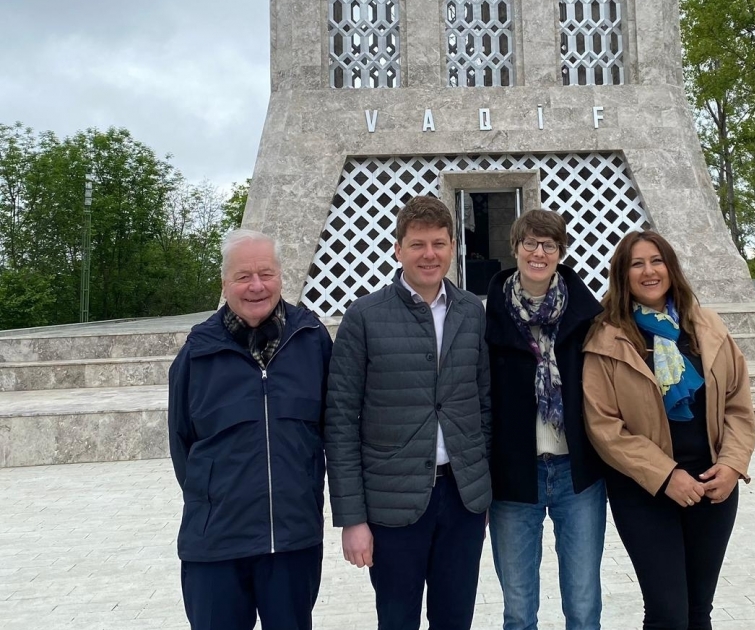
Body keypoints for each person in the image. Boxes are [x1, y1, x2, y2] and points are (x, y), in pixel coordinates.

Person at [325, 195, 492, 630]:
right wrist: (352, 519)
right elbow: (341, 421)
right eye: (418, 244)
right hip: (392, 505)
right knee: (397, 620)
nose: (429, 254)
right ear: (398, 248)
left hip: (461, 500)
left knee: (455, 619)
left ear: (453, 247)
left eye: (438, 243)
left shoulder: (472, 312)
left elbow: (484, 401)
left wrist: (482, 484)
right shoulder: (364, 317)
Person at [582, 230, 755, 630]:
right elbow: (604, 426)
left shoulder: (706, 326)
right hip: (645, 492)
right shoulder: (607, 338)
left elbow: (738, 404)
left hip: (712, 486)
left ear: (671, 267)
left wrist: (732, 465)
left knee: (699, 611)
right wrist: (665, 475)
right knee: (667, 614)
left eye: (656, 260)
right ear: (622, 275)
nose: (648, 271)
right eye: (637, 264)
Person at [167, 229, 332, 630]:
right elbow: (181, 443)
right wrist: (215, 500)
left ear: (280, 276)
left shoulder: (312, 341)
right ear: (225, 284)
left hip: (292, 542)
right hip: (215, 546)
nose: (256, 286)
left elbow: (333, 430)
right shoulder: (197, 353)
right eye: (243, 276)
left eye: (266, 274)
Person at [485, 210, 607, 630]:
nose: (539, 253)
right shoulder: (489, 319)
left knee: (584, 605)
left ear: (561, 253)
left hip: (577, 475)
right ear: (516, 248)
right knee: (518, 610)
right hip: (515, 477)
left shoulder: (588, 318)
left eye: (549, 245)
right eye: (531, 243)